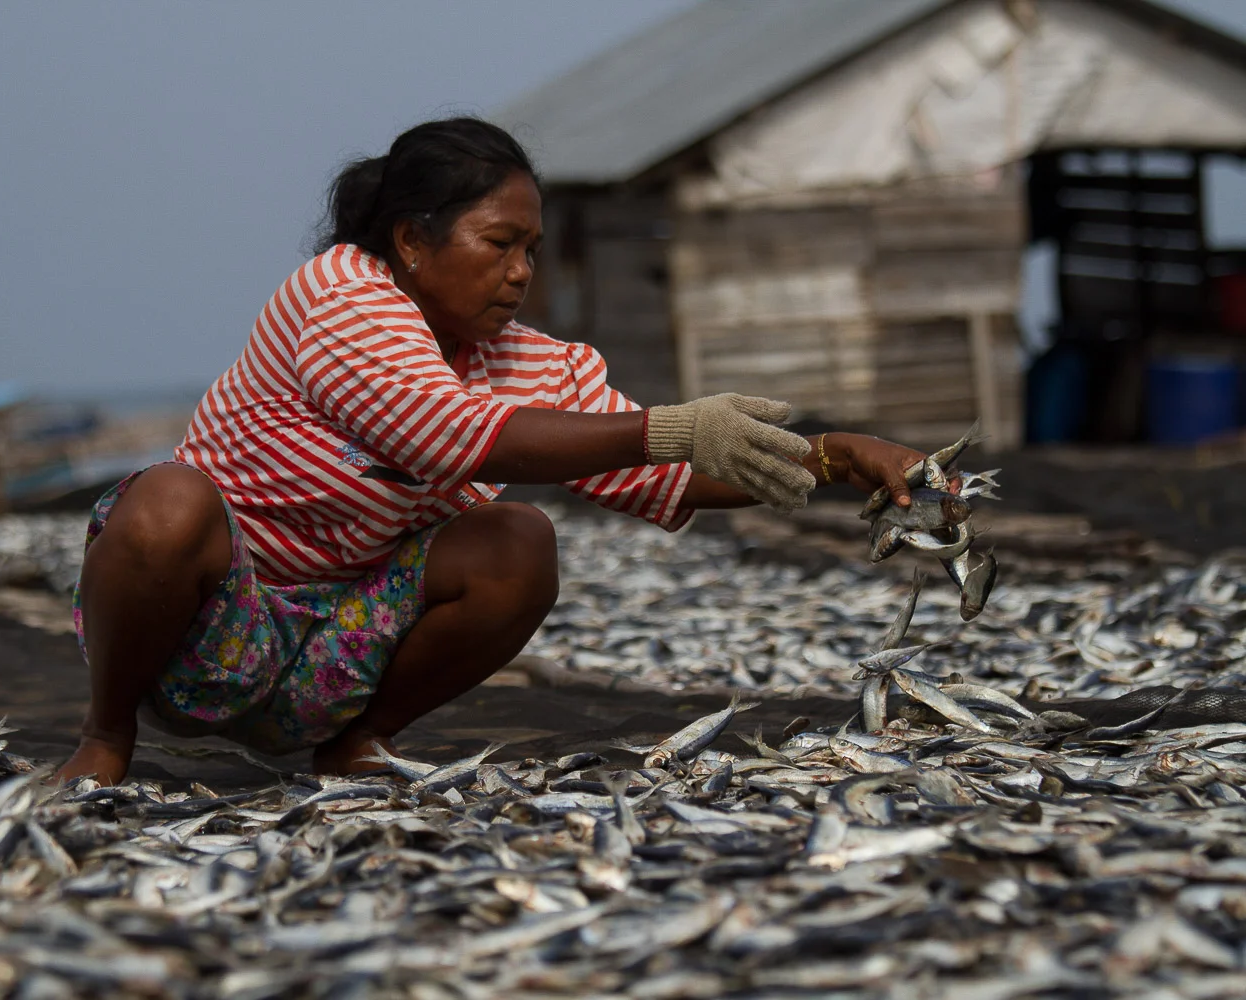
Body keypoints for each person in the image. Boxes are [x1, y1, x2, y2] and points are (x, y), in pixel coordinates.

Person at [56, 117, 929, 784]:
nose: (520, 272)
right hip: (201, 634)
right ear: (410, 241)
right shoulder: (338, 296)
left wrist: (829, 457)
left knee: (520, 542)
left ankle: (361, 744)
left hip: (336, 653)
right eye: (498, 244)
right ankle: (105, 736)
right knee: (165, 502)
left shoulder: (527, 359)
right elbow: (442, 431)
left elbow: (658, 470)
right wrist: (672, 422)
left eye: (532, 251)